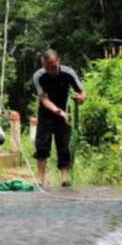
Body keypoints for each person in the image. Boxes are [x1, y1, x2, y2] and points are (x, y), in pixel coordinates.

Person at [32, 49, 87, 187]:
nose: (51, 70)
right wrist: (57, 111)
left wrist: (81, 98)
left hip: (64, 112)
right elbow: (44, 99)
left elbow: (82, 91)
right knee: (42, 145)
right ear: (43, 65)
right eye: (47, 67)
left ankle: (64, 178)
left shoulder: (68, 73)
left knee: (64, 145)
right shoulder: (39, 76)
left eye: (53, 66)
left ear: (59, 61)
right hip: (46, 112)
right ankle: (40, 178)